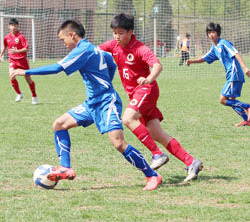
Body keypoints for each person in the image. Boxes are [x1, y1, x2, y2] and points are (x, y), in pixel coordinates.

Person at [11, 19, 162, 191]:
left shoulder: (82, 50)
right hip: (92, 103)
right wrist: (105, 81)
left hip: (106, 102)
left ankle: (152, 175)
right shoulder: (94, 49)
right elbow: (111, 63)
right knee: (59, 124)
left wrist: (26, 71)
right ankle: (65, 167)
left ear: (72, 35)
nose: (64, 44)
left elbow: (57, 68)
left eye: (63, 40)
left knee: (118, 143)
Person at [99, 13, 203, 182]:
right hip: (137, 95)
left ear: (130, 32)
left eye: (120, 32)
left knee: (127, 118)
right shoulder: (113, 45)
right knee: (157, 133)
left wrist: (149, 78)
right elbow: (95, 51)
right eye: (114, 32)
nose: (116, 36)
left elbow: (157, 65)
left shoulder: (140, 48)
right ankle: (191, 161)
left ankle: (157, 154)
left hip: (146, 89)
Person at [186, 22, 250, 127]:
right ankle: (247, 120)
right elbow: (204, 58)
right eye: (209, 32)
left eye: (213, 32)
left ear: (218, 33)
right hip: (232, 75)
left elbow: (235, 53)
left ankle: (247, 106)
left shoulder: (223, 43)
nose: (211, 34)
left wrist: (245, 67)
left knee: (223, 100)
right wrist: (191, 61)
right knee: (232, 101)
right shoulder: (214, 48)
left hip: (235, 73)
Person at [0, 18, 38, 104]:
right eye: (12, 25)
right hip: (12, 60)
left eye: (15, 25)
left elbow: (26, 49)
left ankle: (34, 95)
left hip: (22, 61)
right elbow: (4, 47)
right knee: (11, 76)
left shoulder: (21, 37)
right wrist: (0, 55)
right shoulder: (7, 38)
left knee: (28, 79)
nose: (13, 27)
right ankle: (19, 94)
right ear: (9, 26)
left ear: (17, 26)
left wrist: (16, 51)